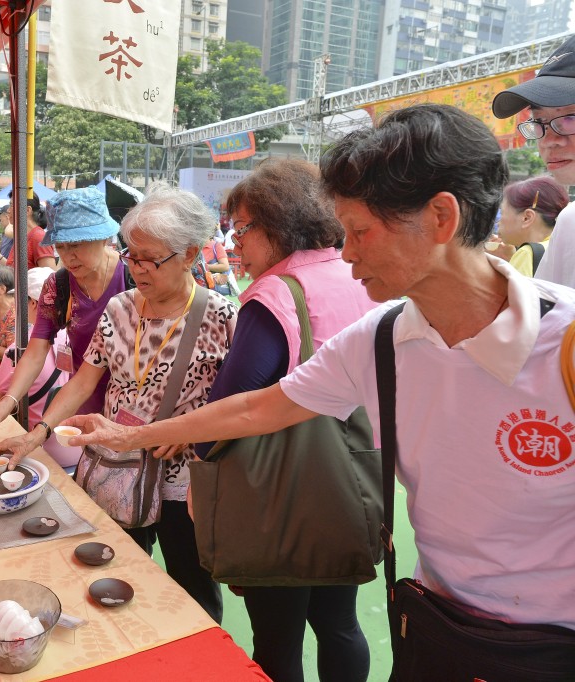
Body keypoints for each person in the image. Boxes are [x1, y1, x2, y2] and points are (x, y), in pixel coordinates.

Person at [67, 104, 575, 645]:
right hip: (436, 620)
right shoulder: (381, 337)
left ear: (441, 219)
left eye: (359, 232)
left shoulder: (563, 341)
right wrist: (130, 434)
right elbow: (256, 406)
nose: (346, 254)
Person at [0, 184, 237, 624]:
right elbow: (83, 382)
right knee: (116, 574)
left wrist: (196, 436)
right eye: (132, 255)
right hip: (118, 468)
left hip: (185, 480)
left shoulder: (223, 317)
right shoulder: (119, 309)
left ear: (191, 255)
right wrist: (37, 434)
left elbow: (237, 403)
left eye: (150, 259)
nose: (137, 268)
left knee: (192, 588)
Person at [196, 158, 377, 682]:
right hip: (353, 477)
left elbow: (236, 402)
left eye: (241, 229)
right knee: (340, 624)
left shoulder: (275, 294)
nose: (234, 245)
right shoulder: (357, 273)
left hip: (281, 492)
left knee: (277, 638)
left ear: (278, 224)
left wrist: (196, 462)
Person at [0, 188, 133, 440]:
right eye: (60, 246)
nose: (67, 256)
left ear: (104, 237)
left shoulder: (135, 279)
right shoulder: (58, 286)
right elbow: (36, 352)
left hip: (136, 413)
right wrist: (8, 401)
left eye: (76, 245)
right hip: (83, 407)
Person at [492, 40, 575, 288]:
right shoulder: (569, 223)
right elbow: (548, 323)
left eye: (570, 119)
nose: (549, 141)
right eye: (539, 121)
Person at [0, 266, 73, 466]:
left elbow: (5, 394)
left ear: (31, 303)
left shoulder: (18, 350)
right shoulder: (73, 339)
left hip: (37, 450)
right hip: (75, 446)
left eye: (18, 300)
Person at [486, 176, 567, 276]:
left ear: (527, 218)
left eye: (502, 213)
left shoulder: (527, 254)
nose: (497, 222)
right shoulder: (561, 248)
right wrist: (511, 258)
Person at [0, 195, 57, 269]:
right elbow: (13, 269)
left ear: (27, 210)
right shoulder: (22, 237)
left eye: (11, 205)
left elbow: (49, 275)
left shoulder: (39, 238)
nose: (8, 210)